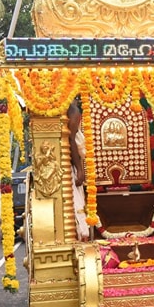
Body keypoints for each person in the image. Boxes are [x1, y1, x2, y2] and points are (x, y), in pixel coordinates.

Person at [68, 98, 90, 240]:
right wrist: (80, 169)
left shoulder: (72, 110)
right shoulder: (73, 111)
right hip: (69, 169)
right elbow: (71, 140)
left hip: (69, 167)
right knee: (77, 208)